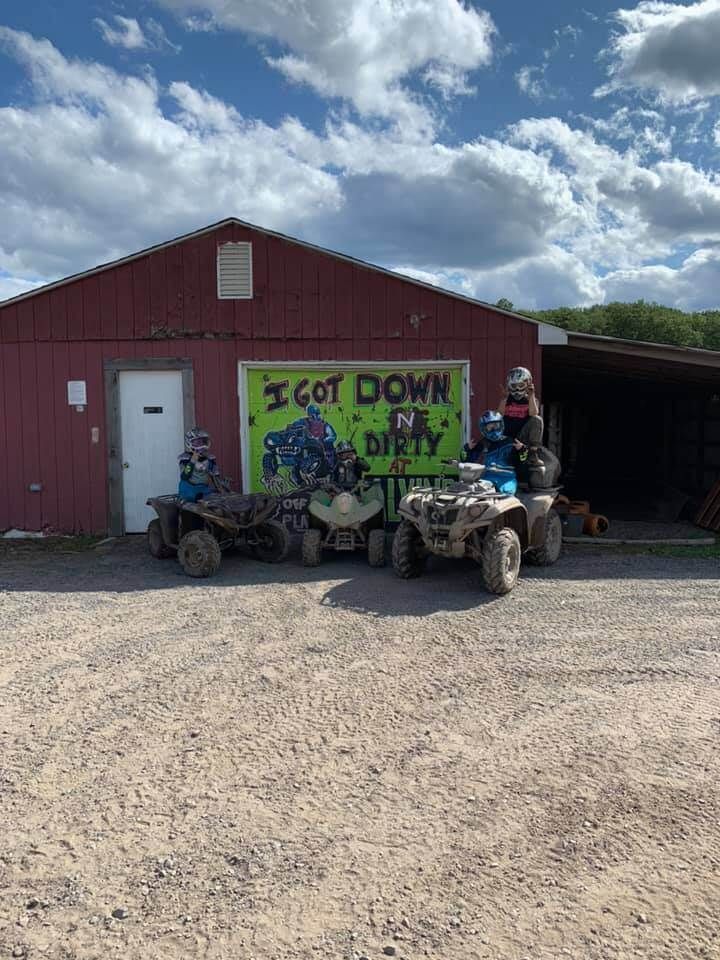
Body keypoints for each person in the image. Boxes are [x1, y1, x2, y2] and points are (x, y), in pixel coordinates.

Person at [464, 411, 524, 495]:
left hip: (507, 478)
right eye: (490, 427)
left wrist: (522, 450)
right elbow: (467, 461)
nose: (494, 429)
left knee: (506, 496)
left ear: (501, 425)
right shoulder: (482, 443)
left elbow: (522, 461)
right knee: (479, 495)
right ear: (484, 429)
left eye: (496, 426)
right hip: (487, 477)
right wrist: (468, 449)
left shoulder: (510, 442)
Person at [497, 367, 543, 462]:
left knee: (537, 419)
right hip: (507, 437)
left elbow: (533, 413)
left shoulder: (531, 400)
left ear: (527, 385)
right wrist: (504, 399)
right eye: (514, 386)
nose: (517, 389)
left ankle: (533, 452)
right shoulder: (506, 400)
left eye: (521, 385)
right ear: (509, 386)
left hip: (523, 437)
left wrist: (531, 396)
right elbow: (498, 416)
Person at [178, 427, 220, 501]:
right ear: (190, 443)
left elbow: (216, 476)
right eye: (197, 442)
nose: (201, 445)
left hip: (204, 489)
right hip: (188, 490)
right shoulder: (185, 458)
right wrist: (193, 461)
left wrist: (220, 488)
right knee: (188, 507)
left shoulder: (210, 458)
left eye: (202, 442)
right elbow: (185, 476)